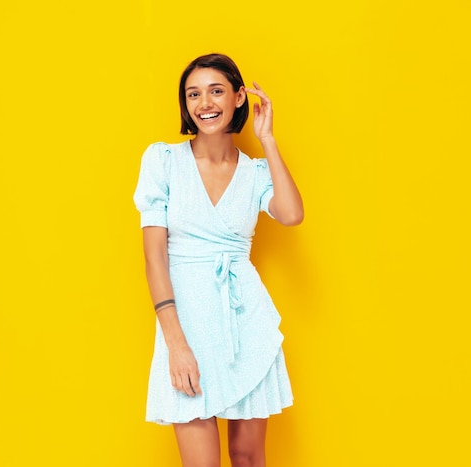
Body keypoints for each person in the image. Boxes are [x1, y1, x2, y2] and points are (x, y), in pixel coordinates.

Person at [133, 53, 303, 467]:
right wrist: (176, 344)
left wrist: (269, 139)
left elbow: (292, 214)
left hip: (245, 319)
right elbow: (154, 256)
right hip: (185, 323)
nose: (204, 103)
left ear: (239, 97)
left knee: (248, 457)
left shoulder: (257, 171)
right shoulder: (163, 161)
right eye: (193, 94)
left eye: (216, 91)